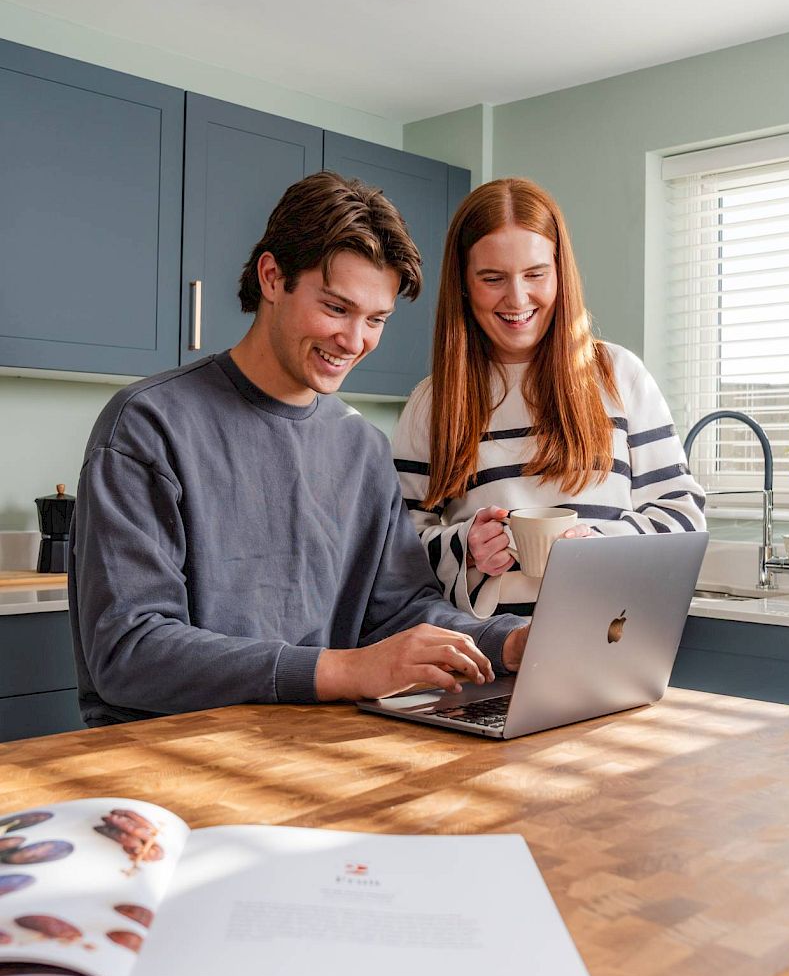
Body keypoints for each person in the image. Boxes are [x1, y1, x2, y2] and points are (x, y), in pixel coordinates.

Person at [70, 172, 529, 726]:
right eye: (336, 308)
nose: (355, 341)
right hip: (168, 763)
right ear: (272, 277)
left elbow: (401, 613)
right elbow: (130, 652)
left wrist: (507, 643)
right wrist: (346, 671)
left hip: (308, 753)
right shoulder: (147, 426)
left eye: (376, 319)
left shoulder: (360, 448)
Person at [392, 177, 706, 619]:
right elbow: (398, 551)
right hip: (489, 657)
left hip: (611, 638)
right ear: (463, 284)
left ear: (560, 272)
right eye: (492, 278)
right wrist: (466, 548)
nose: (517, 298)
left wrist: (603, 547)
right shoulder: (432, 404)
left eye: (535, 274)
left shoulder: (619, 377)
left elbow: (684, 517)